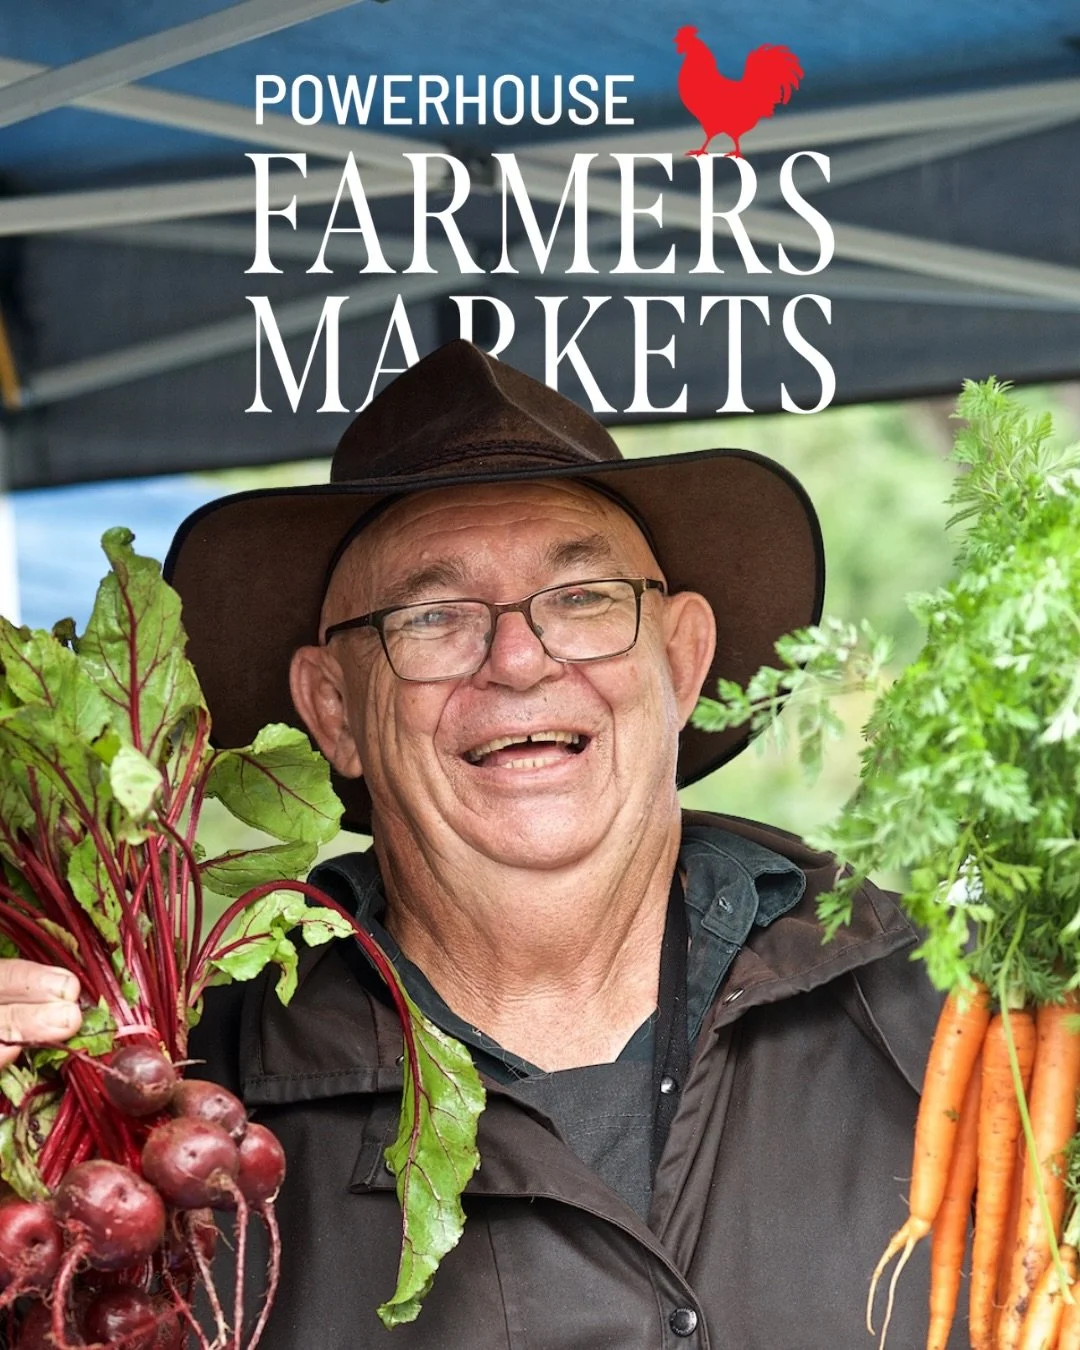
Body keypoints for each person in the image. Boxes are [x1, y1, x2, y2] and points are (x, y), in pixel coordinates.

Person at [0, 342, 958, 1347]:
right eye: (433, 614)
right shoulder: (175, 1112)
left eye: (583, 598)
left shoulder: (948, 1009)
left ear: (680, 661)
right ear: (335, 711)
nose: (517, 659)